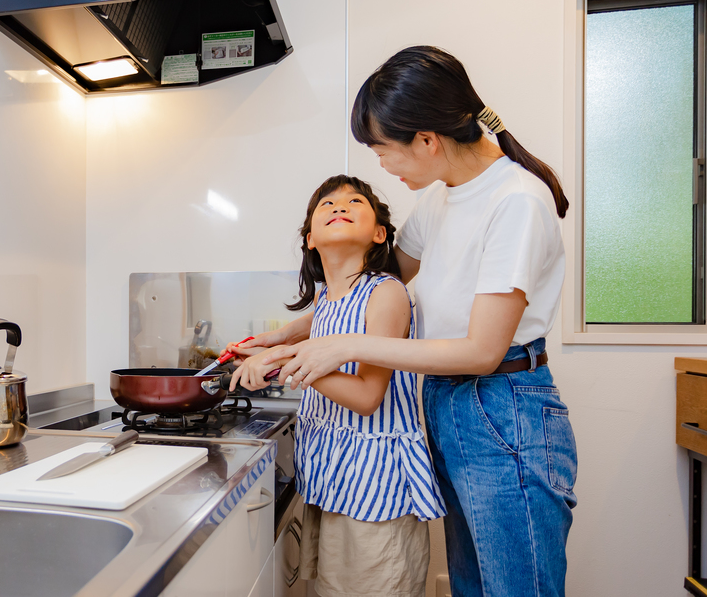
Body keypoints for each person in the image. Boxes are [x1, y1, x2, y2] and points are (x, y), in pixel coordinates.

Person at [230, 46, 578, 597]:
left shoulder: (515, 200)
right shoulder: (442, 202)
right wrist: (285, 336)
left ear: (426, 140)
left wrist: (334, 347)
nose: (383, 167)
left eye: (384, 151)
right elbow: (362, 289)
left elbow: (481, 351)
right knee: (471, 584)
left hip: (503, 406)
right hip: (449, 403)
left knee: (514, 589)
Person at [230, 174, 446, 597]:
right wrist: (276, 344)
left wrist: (283, 361)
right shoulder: (327, 299)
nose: (339, 206)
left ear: (379, 234)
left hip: (373, 489)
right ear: (310, 238)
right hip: (334, 482)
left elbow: (367, 396)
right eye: (326, 204)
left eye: (354, 202)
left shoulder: (387, 294)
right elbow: (318, 327)